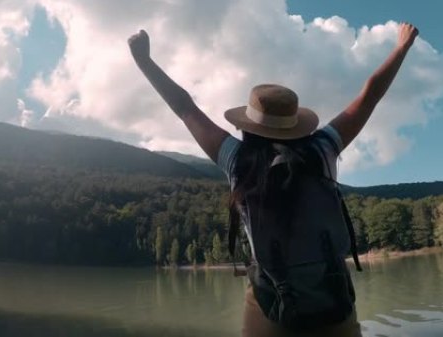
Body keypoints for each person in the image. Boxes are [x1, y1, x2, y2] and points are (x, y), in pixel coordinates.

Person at [128, 22, 418, 336]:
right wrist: (401, 47)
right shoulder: (322, 150)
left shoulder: (238, 161)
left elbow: (185, 108)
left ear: (247, 127)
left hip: (269, 308)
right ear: (296, 124)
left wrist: (144, 61)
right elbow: (370, 95)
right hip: (333, 302)